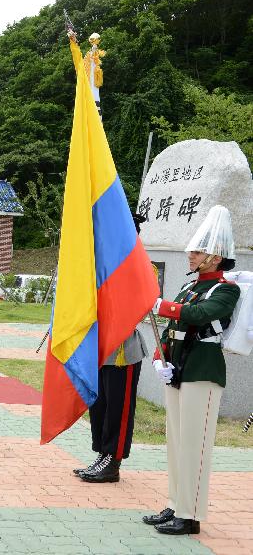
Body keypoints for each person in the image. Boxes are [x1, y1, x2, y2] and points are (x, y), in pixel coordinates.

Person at [142, 205, 240, 535]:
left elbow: (199, 315)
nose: (190, 254)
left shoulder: (225, 289)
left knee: (195, 446)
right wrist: (159, 357)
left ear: (214, 256)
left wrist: (159, 304)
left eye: (197, 250)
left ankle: (190, 515)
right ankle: (176, 503)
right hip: (179, 370)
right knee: (176, 442)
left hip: (202, 372)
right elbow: (173, 328)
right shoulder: (190, 286)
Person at [76, 214, 149, 484]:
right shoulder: (101, 267)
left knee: (118, 408)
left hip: (123, 351)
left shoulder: (141, 268)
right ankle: (101, 455)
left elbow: (139, 306)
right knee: (100, 405)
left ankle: (113, 461)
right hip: (101, 347)